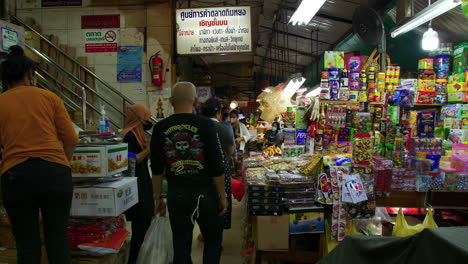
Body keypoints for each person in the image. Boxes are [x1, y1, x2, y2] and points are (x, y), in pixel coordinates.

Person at [0, 45, 79, 263]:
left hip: (16, 177)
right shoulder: (49, 97)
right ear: (29, 75)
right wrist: (63, 164)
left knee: (27, 245)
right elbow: (71, 139)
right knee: (57, 241)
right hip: (55, 174)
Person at [151, 82, 228, 264]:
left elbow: (156, 168)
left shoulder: (160, 128)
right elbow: (216, 165)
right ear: (195, 101)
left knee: (181, 244)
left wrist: (157, 198)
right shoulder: (206, 125)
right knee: (213, 242)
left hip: (177, 195)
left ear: (170, 101)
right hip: (206, 195)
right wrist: (222, 196)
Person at [121, 104, 154, 264]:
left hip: (143, 183)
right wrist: (148, 150)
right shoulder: (129, 136)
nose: (149, 121)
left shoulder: (138, 134)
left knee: (144, 225)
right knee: (140, 228)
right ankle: (134, 260)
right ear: (139, 119)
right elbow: (130, 161)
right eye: (146, 118)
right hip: (137, 187)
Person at [201, 99, 234, 230]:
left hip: (202, 170)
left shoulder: (199, 127)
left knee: (205, 199)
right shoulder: (224, 129)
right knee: (222, 197)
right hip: (221, 168)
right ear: (219, 113)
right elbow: (230, 151)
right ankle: (219, 227)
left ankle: (205, 230)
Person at [230, 110, 251, 178]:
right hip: (229, 149)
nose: (231, 118)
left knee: (238, 166)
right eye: (230, 117)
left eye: (233, 117)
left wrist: (241, 138)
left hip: (239, 149)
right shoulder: (228, 125)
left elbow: (248, 136)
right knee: (231, 166)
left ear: (237, 117)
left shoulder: (241, 126)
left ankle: (238, 181)